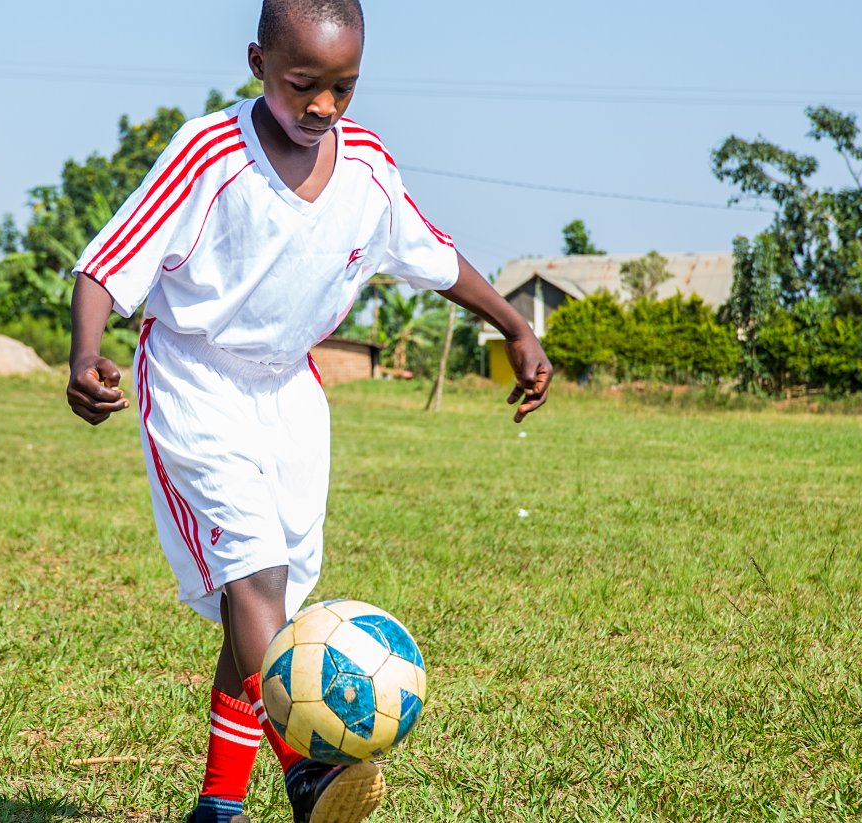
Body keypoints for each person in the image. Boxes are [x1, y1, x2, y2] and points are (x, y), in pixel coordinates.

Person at [65, 1, 551, 820]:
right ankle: (310, 772)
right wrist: (85, 355)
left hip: (291, 390)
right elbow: (107, 265)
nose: (323, 106)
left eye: (343, 87)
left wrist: (513, 324)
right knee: (252, 576)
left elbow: (431, 255)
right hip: (196, 377)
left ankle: (218, 807)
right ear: (259, 63)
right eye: (303, 85)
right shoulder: (208, 153)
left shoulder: (364, 166)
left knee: (270, 607)